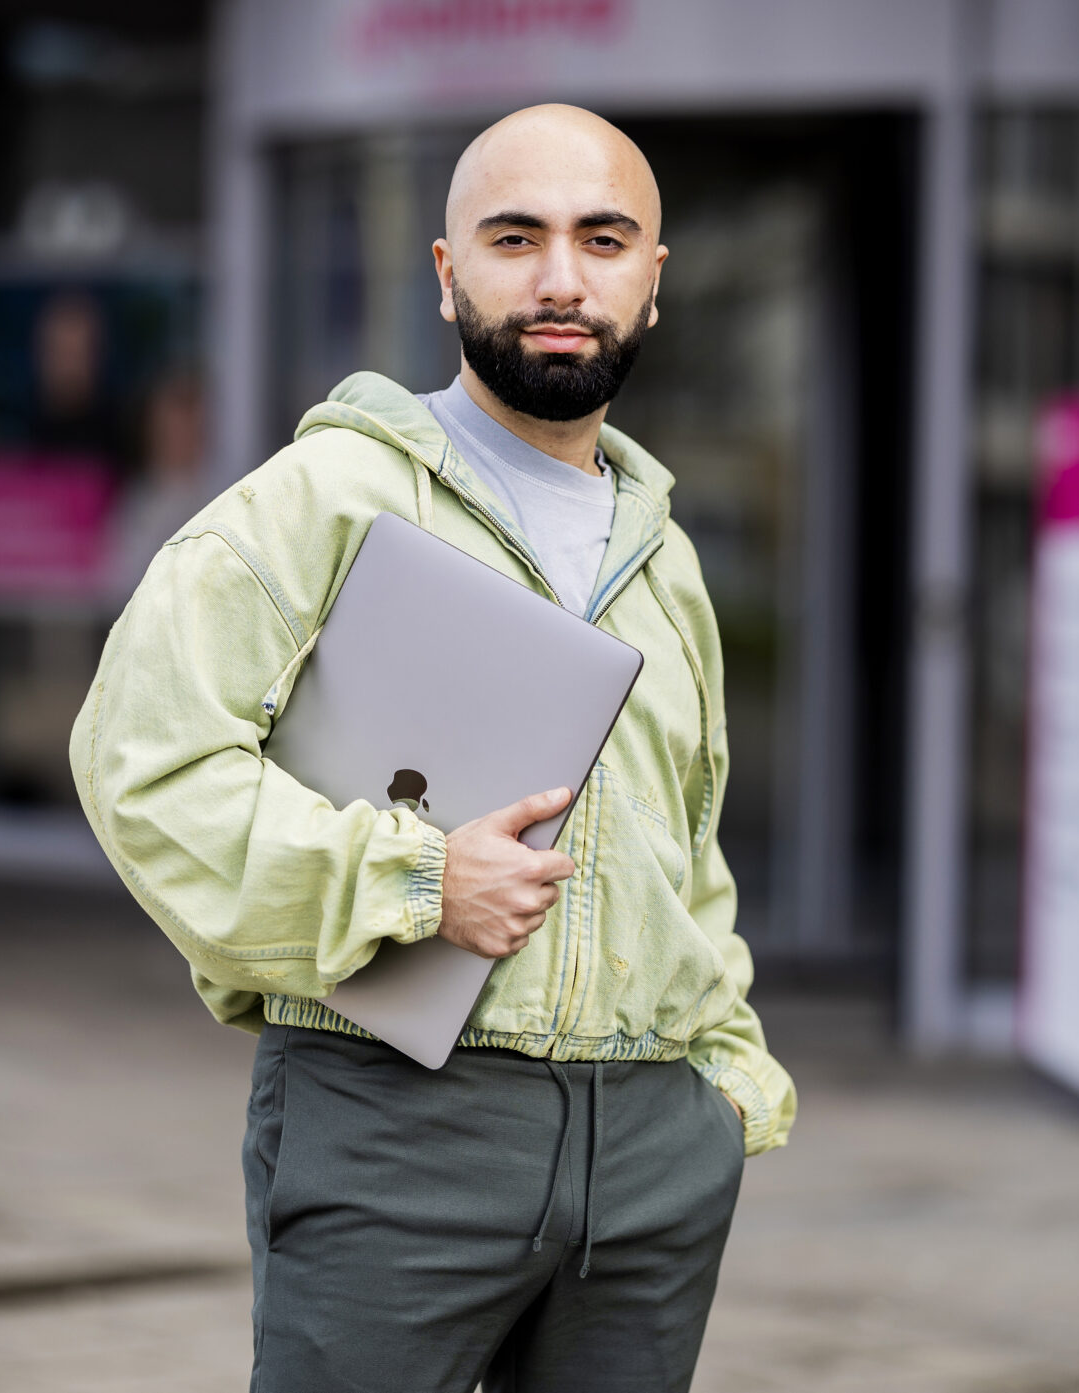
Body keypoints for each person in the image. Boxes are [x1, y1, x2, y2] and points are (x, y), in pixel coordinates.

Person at [68, 104, 796, 1392]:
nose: (562, 279)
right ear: (449, 275)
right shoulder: (326, 498)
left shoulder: (668, 559)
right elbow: (144, 761)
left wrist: (723, 1095)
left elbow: (688, 846)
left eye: (603, 240)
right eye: (516, 239)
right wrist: (415, 881)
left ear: (653, 280)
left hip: (652, 1157)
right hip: (398, 1119)